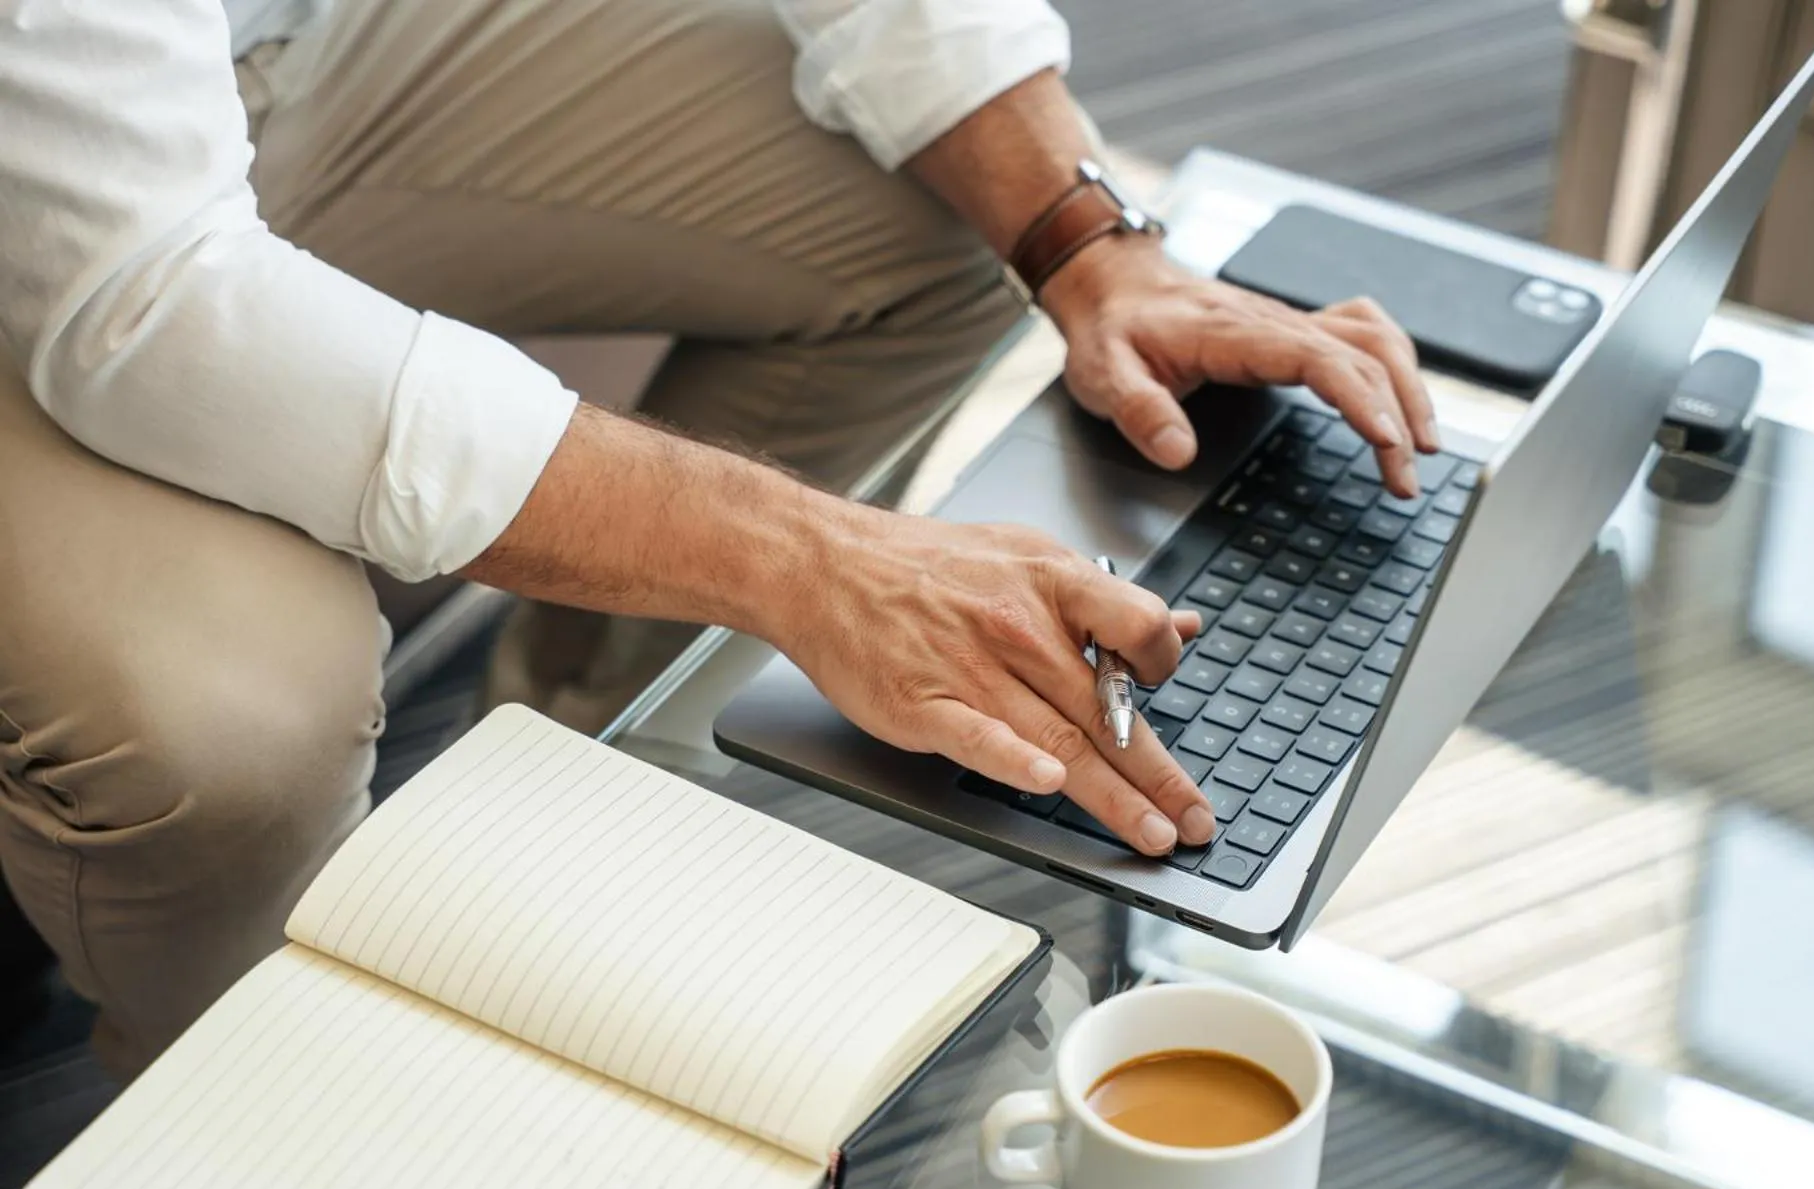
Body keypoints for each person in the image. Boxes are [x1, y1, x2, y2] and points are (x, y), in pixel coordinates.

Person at [0, 0, 1437, 1073]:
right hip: (52, 216)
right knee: (236, 727)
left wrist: (1085, 238)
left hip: (284, 39)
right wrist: (811, 561)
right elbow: (143, 301)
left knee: (937, 209)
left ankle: (556, 822)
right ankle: (223, 1114)